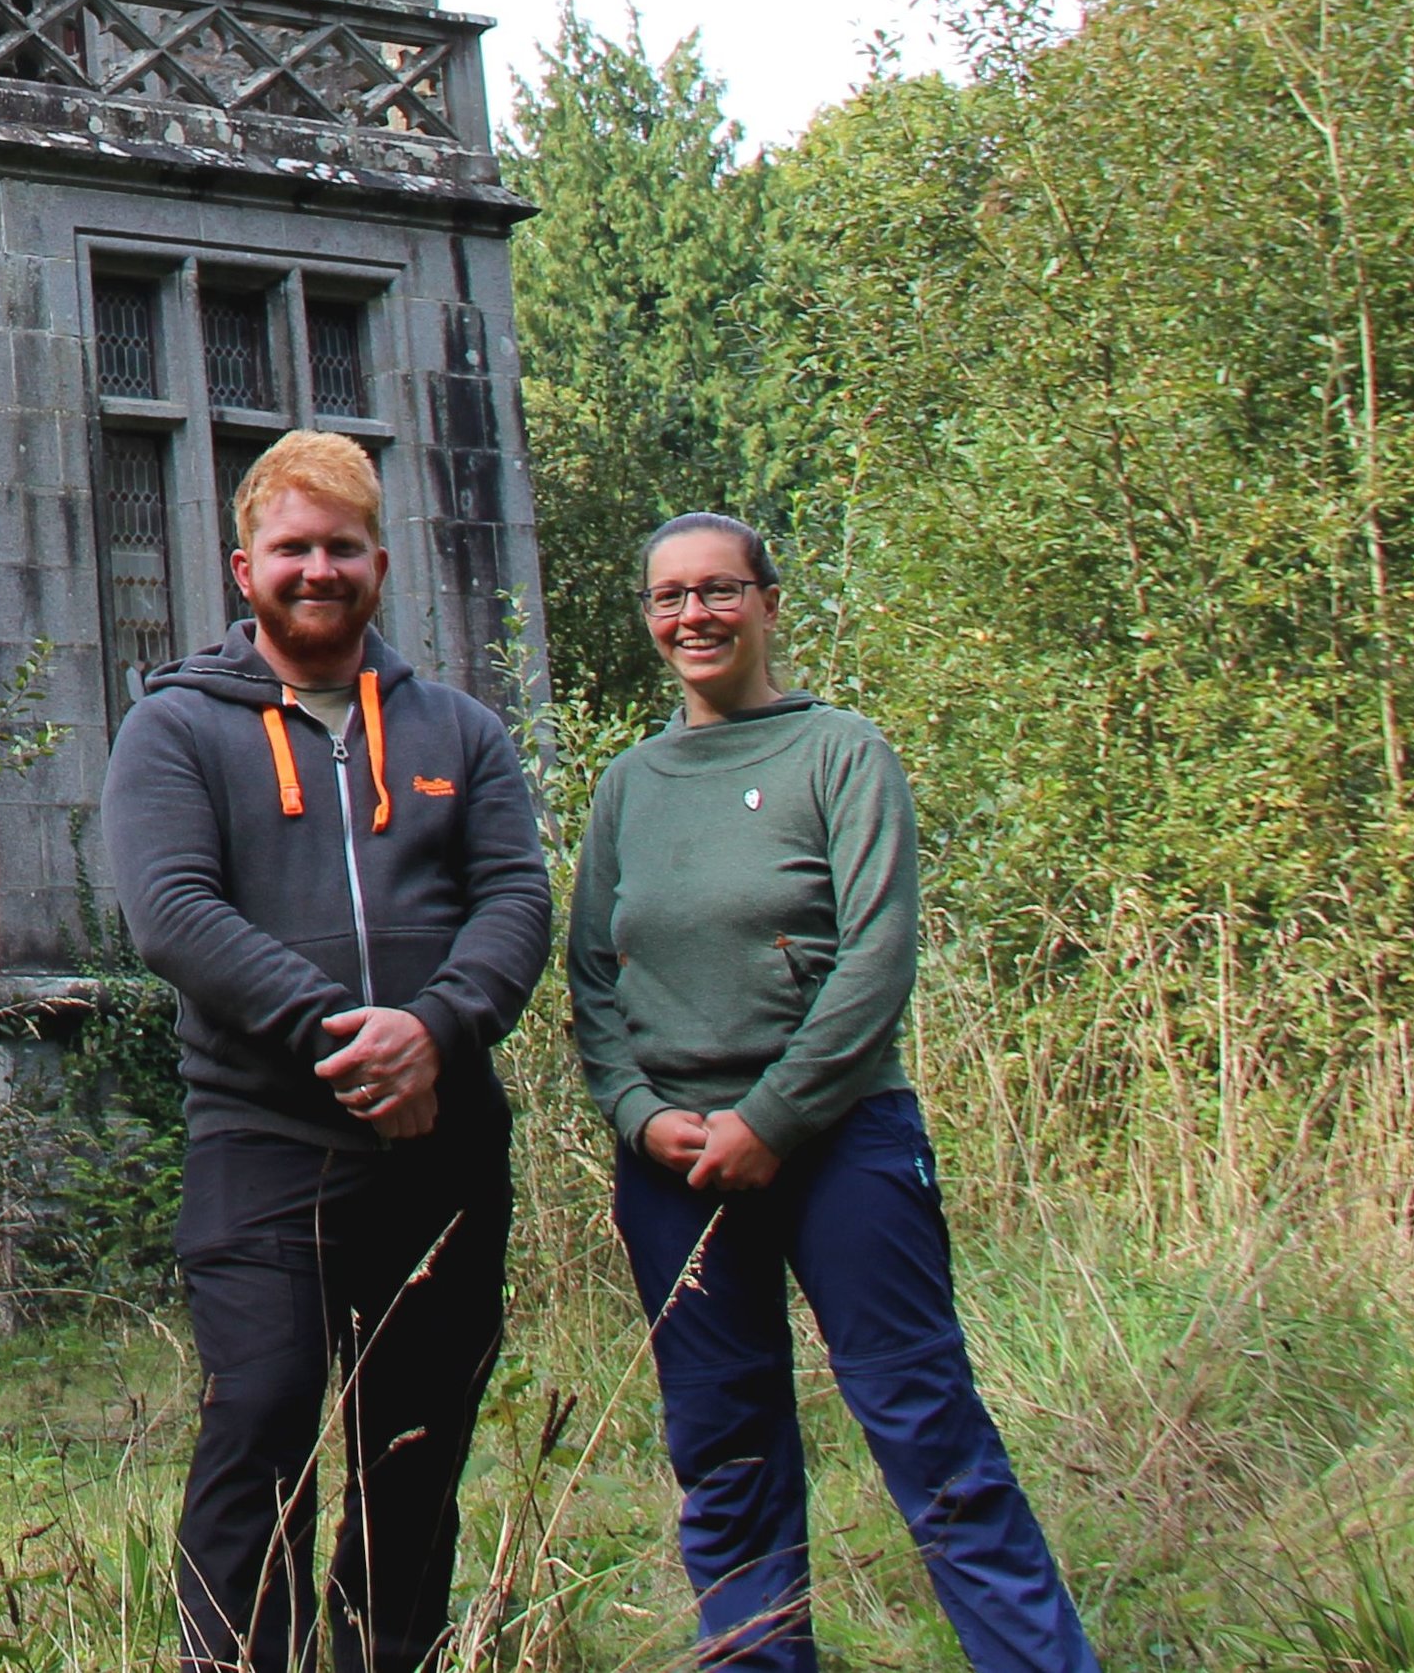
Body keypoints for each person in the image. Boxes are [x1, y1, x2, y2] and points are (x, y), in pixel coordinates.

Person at [569, 513, 1102, 1673]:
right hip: (670, 1167)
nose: (691, 617)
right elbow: (591, 983)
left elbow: (874, 958)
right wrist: (637, 1114)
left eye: (716, 591)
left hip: (840, 1142)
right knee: (723, 1454)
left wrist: (772, 1120)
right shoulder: (627, 786)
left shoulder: (838, 753)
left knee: (927, 1433)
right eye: (667, 598)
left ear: (765, 602)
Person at [103, 426, 553, 1673]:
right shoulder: (175, 731)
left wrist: (436, 1033)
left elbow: (515, 901)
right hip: (264, 1138)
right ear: (240, 569)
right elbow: (173, 914)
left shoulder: (458, 732)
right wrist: (345, 1044)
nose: (318, 570)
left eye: (340, 548)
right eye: (290, 549)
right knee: (260, 1417)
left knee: (415, 1444)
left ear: (379, 564)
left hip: (443, 1138)